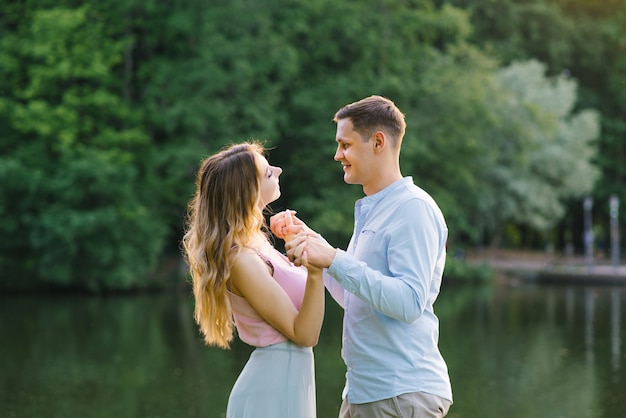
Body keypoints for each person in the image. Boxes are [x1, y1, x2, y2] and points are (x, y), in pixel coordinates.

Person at [272, 96, 453, 417]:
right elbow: (357, 299)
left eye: (345, 145)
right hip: (363, 393)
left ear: (378, 142)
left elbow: (410, 303)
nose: (337, 154)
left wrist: (334, 259)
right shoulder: (375, 209)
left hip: (401, 394)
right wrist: (311, 244)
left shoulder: (413, 208)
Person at [182, 141, 325, 418]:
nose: (278, 169)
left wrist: (296, 243)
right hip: (273, 388)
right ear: (247, 193)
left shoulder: (255, 246)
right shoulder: (242, 260)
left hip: (286, 378)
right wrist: (315, 270)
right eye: (268, 173)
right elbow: (305, 334)